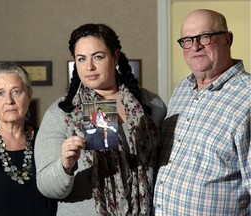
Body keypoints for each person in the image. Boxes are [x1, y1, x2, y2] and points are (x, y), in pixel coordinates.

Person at [35, 23, 167, 215]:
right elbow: (47, 188)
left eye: (98, 56)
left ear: (115, 56)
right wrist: (65, 165)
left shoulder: (152, 104)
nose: (89, 67)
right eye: (81, 59)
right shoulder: (61, 113)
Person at [153, 9, 250, 215]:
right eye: (187, 40)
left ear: (228, 39)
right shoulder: (182, 89)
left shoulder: (248, 97)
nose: (194, 46)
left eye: (205, 37)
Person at [0, 62, 58, 216]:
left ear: (28, 96)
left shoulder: (46, 141)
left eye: (16, 92)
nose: (9, 101)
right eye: (0, 93)